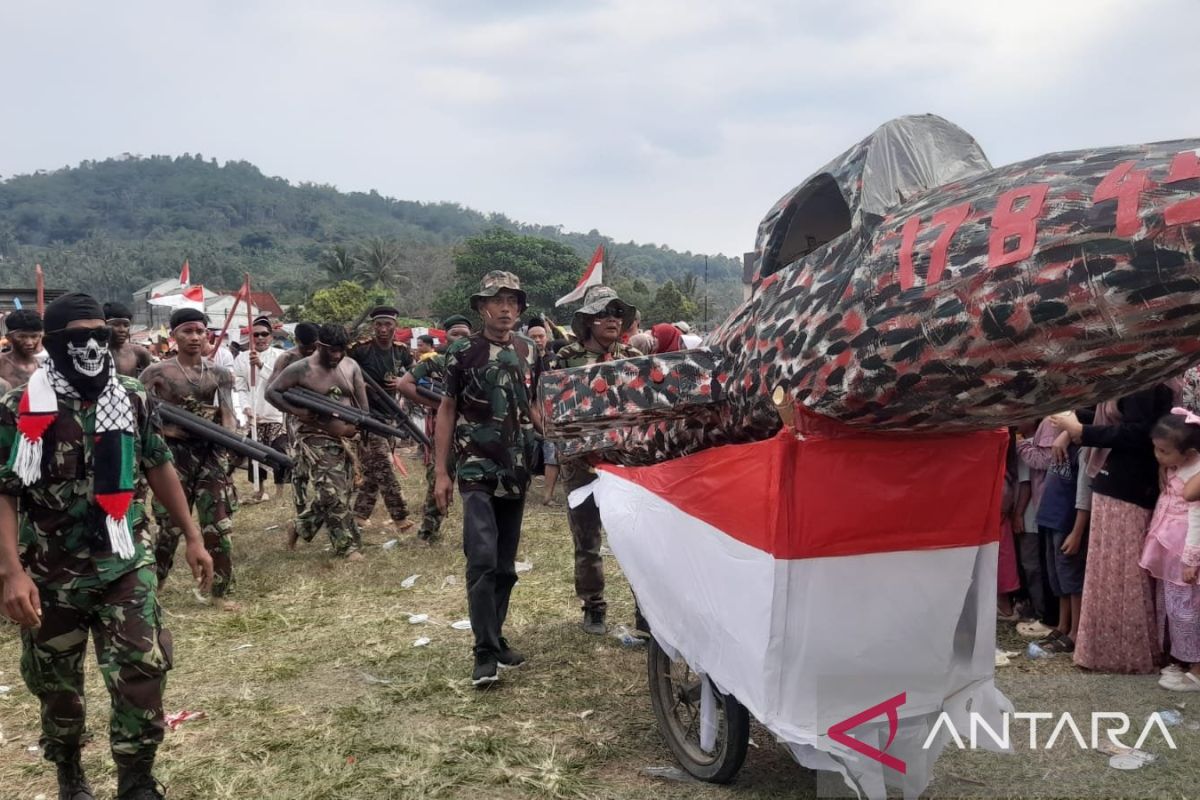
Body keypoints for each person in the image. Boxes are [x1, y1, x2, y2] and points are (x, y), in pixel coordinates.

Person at [0, 293, 213, 800]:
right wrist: (11, 572)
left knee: (142, 671)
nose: (92, 345)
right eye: (79, 337)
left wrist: (193, 536)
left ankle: (136, 781)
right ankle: (70, 773)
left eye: (100, 334)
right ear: (53, 344)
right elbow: (4, 491)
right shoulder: (17, 408)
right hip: (50, 573)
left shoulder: (131, 395)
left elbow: (158, 463)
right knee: (59, 692)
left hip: (124, 562)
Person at [435, 271, 540, 686]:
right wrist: (441, 472)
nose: (506, 309)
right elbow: (447, 408)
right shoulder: (462, 351)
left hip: (515, 469)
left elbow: (533, 405)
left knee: (505, 565)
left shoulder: (529, 349)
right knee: (481, 558)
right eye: (497, 301)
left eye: (513, 301)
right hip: (476, 465)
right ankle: (483, 652)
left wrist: (557, 440)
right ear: (481, 307)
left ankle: (495, 637)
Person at [1052, 384, 1173, 674]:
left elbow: (1140, 433)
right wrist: (1070, 424)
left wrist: (1083, 432)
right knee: (1106, 569)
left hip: (1130, 484)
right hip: (1111, 481)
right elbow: (1101, 414)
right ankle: (1104, 648)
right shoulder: (1131, 377)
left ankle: (1126, 651)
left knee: (1124, 573)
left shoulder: (1148, 381)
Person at [548, 286, 642, 635]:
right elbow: (550, 408)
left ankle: (645, 609)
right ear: (588, 321)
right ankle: (594, 606)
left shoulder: (632, 356)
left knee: (636, 537)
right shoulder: (564, 359)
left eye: (618, 313)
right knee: (587, 539)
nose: (612, 319)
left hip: (626, 461)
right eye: (604, 313)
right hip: (581, 461)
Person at [139, 308, 240, 609]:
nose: (194, 337)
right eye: (187, 331)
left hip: (209, 454)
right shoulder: (157, 373)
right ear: (174, 336)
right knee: (168, 528)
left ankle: (220, 592)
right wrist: (167, 429)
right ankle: (153, 586)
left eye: (200, 331)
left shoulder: (219, 374)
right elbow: (140, 414)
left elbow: (228, 414)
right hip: (171, 457)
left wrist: (228, 438)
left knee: (218, 527)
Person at [267, 324, 368, 561]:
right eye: (331, 350)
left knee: (343, 489)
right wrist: (297, 411)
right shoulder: (300, 369)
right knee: (332, 490)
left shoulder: (351, 365)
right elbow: (272, 392)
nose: (336, 356)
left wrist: (360, 429)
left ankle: (301, 526)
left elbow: (363, 406)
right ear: (319, 345)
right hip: (313, 435)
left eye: (340, 350)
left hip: (346, 435)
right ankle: (346, 546)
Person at [1018, 417, 1092, 652]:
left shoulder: (1082, 452)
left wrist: (1077, 531)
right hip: (1049, 516)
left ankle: (1075, 630)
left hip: (1066, 520)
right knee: (1056, 576)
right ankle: (1062, 625)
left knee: (1071, 577)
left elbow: (1083, 496)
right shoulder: (1059, 447)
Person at [398, 314, 473, 545]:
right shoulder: (435, 361)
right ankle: (428, 533)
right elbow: (404, 384)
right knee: (438, 479)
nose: (460, 339)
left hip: (475, 430)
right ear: (445, 336)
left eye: (465, 334)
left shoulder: (479, 361)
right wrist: (438, 405)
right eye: (455, 334)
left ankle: (478, 534)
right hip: (445, 428)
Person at [1139, 410, 1200, 691]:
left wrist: (1191, 560)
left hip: (1186, 551)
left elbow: (1197, 520)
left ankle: (1197, 668)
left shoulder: (1195, 474)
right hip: (1169, 547)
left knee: (1188, 610)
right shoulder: (1174, 467)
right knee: (1174, 607)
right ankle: (1181, 657)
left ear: (1188, 453)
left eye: (1163, 451)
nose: (1157, 456)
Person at [349, 306, 413, 532]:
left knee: (373, 473)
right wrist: (358, 384)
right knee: (384, 468)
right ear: (372, 326)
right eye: (379, 325)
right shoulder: (360, 350)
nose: (383, 329)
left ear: (396, 325)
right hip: (366, 418)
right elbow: (339, 370)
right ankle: (401, 518)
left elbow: (413, 374)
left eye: (388, 324)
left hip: (391, 416)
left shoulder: (401, 351)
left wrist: (402, 382)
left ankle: (358, 516)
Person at [232, 316, 287, 502]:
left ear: (271, 336)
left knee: (279, 452)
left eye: (265, 334)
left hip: (276, 412)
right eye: (256, 334)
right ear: (251, 337)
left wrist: (261, 365)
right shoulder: (240, 358)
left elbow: (280, 381)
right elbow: (241, 387)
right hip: (254, 414)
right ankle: (259, 489)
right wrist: (246, 408)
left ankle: (280, 491)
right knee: (254, 453)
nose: (260, 338)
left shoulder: (280, 356)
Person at [104, 302, 153, 378]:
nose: (122, 330)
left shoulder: (139, 352)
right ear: (104, 325)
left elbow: (148, 381)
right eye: (116, 324)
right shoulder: (96, 352)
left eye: (126, 325)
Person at [0, 308, 45, 388]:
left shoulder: (45, 365)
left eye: (34, 336)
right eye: (22, 336)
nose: (29, 343)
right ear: (9, 338)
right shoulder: (2, 363)